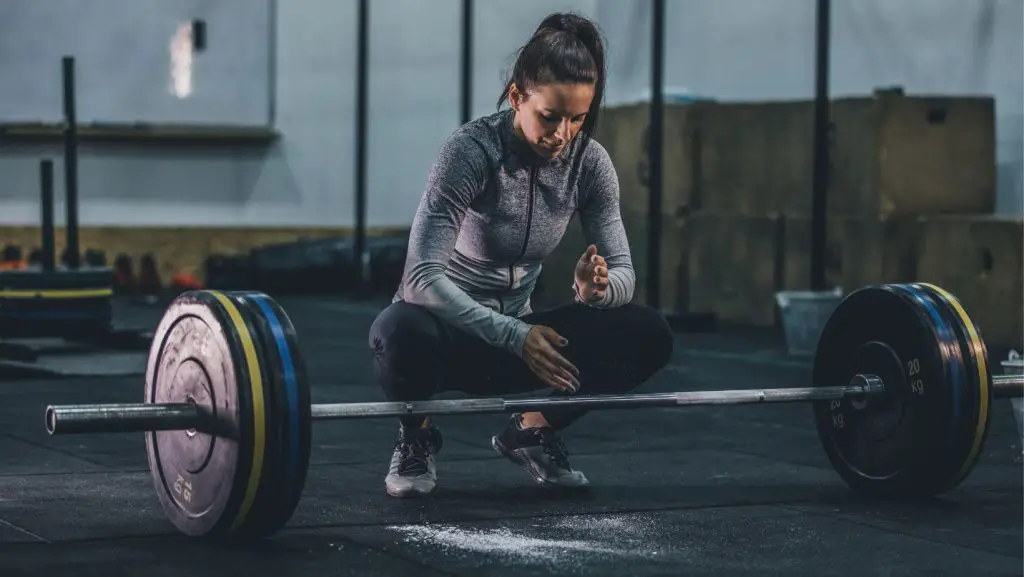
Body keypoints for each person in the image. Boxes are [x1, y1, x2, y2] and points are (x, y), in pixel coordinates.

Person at [368, 12, 674, 498]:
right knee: (396, 329)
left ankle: (531, 431)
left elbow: (624, 275)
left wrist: (595, 291)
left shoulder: (590, 164)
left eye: (578, 118)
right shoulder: (469, 151)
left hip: (524, 340)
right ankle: (416, 434)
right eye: (550, 116)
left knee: (649, 333)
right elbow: (421, 278)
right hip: (451, 333)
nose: (563, 134)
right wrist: (516, 335)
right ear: (517, 97)